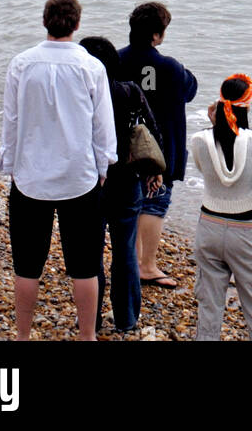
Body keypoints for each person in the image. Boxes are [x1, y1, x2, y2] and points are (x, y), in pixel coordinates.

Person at [0, 0, 117, 342]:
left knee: (27, 265)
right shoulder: (91, 67)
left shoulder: (21, 64)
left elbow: (12, 121)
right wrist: (103, 167)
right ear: (77, 25)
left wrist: (10, 165)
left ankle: (23, 335)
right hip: (78, 178)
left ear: (44, 21)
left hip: (30, 177)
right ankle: (86, 336)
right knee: (84, 265)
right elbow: (102, 127)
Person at [190, 74, 252, 342]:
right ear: (247, 105)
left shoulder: (199, 140)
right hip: (245, 232)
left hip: (208, 226)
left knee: (209, 304)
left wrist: (214, 124)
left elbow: (207, 170)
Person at [80, 36, 164, 336]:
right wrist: (155, 170)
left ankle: (90, 318)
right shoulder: (130, 90)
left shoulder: (81, 94)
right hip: (127, 181)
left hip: (89, 181)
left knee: (90, 252)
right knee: (125, 250)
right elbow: (152, 130)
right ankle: (126, 318)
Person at [118, 2, 197, 289]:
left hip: (123, 147)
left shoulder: (116, 60)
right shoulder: (171, 67)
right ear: (157, 35)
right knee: (154, 204)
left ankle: (131, 261)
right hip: (160, 150)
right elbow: (191, 89)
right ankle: (146, 266)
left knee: (131, 202)